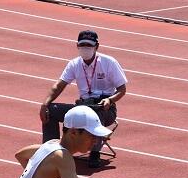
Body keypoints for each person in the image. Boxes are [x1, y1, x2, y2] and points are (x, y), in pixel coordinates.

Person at [40, 30, 128, 168]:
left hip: (105, 108)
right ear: (77, 46)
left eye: (89, 45)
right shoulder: (74, 64)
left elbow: (122, 89)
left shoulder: (109, 62)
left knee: (96, 112)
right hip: (83, 106)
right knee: (50, 110)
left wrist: (110, 100)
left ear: (96, 46)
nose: (85, 48)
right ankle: (50, 151)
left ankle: (95, 153)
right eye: (82, 45)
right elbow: (59, 85)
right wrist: (45, 104)